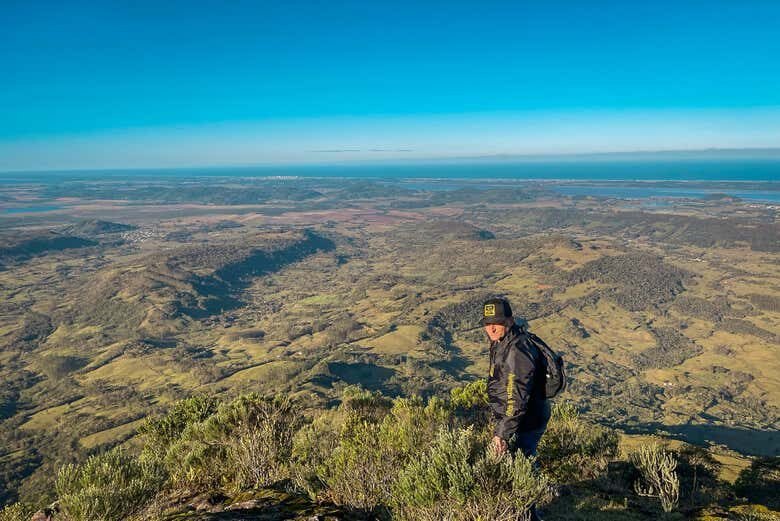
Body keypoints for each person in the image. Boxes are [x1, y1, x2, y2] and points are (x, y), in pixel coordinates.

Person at [482, 297, 551, 459]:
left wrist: (502, 434)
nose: (491, 329)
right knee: (516, 461)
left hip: (527, 420)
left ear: (509, 321)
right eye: (487, 323)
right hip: (517, 419)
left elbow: (517, 399)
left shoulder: (517, 351)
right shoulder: (502, 341)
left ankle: (534, 484)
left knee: (523, 463)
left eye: (496, 323)